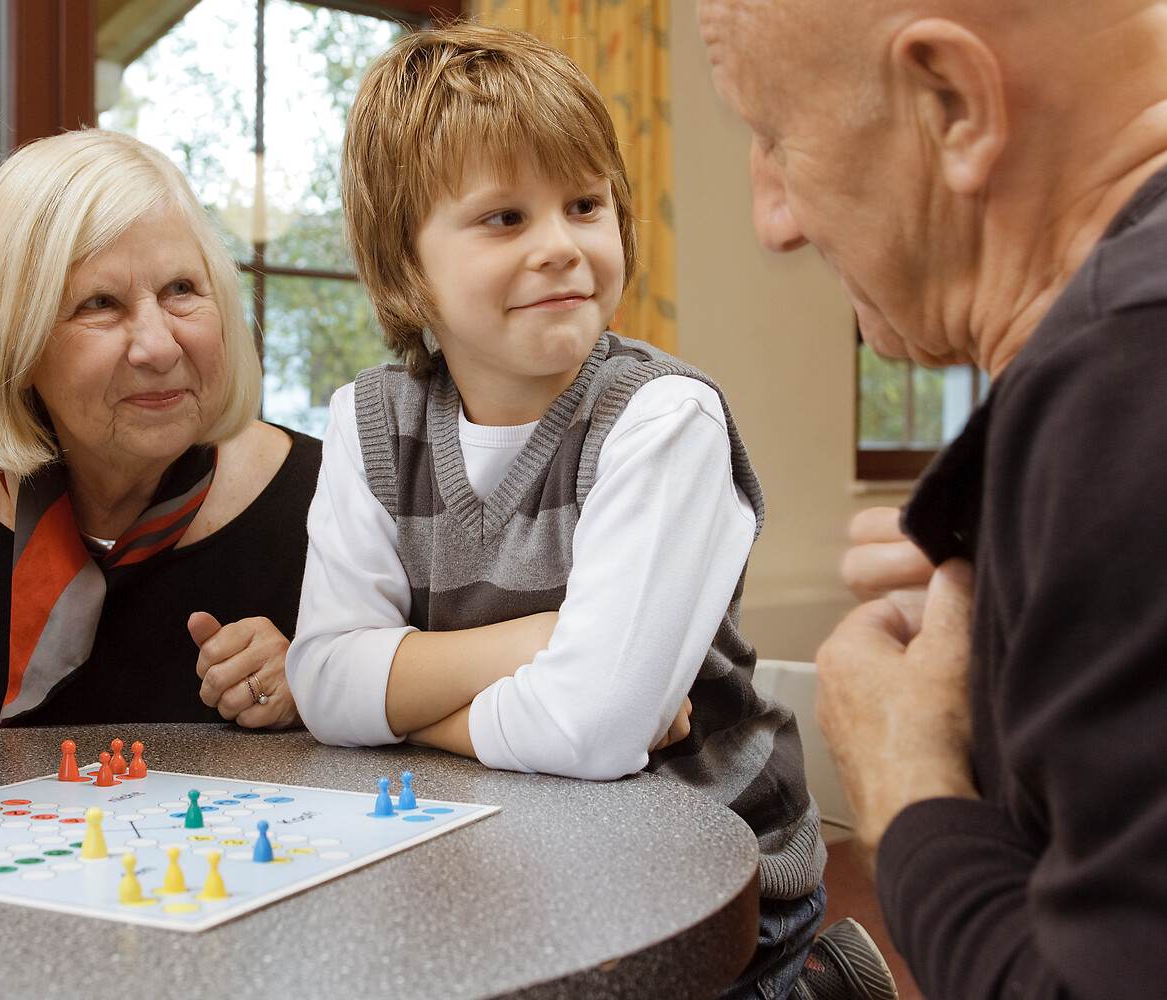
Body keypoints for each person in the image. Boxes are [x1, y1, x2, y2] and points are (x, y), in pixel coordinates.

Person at [284, 25, 880, 1000]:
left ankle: (819, 981)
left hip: (706, 887)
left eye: (585, 204)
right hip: (500, 857)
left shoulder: (661, 418)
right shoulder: (371, 419)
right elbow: (321, 676)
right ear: (404, 264)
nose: (561, 246)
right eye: (504, 218)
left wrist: (399, 714)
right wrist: (547, 641)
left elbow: (592, 729)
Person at [698, 0, 1167, 996]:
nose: (771, 220)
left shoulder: (1127, 377)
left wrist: (903, 772)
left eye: (776, 137)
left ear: (953, 102)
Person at [0, 129, 318, 739]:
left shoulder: (327, 495)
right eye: (100, 303)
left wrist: (327, 687)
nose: (158, 346)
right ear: (15, 343)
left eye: (181, 290)